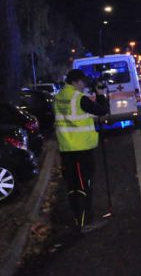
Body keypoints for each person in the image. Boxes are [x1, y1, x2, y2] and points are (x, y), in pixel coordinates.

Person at [53, 69, 110, 233]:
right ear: (76, 81)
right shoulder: (79, 98)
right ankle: (85, 222)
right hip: (81, 150)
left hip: (66, 149)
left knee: (73, 186)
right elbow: (102, 110)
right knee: (85, 185)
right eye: (83, 82)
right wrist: (100, 94)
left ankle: (78, 218)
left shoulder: (58, 97)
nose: (84, 86)